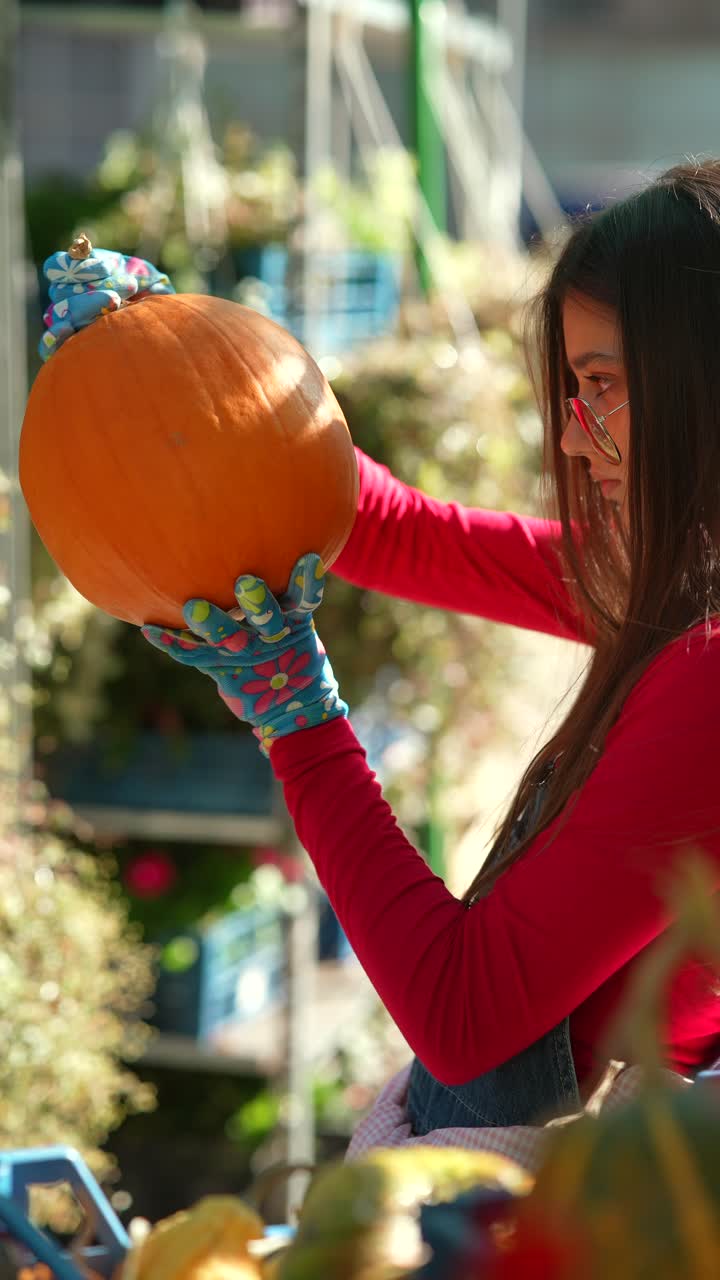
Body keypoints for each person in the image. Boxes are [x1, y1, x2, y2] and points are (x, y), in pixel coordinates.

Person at [61, 159, 720, 1142]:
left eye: (603, 388)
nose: (577, 443)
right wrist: (177, 372)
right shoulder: (675, 582)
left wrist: (300, 719)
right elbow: (397, 529)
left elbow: (464, 1012)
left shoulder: (706, 669)